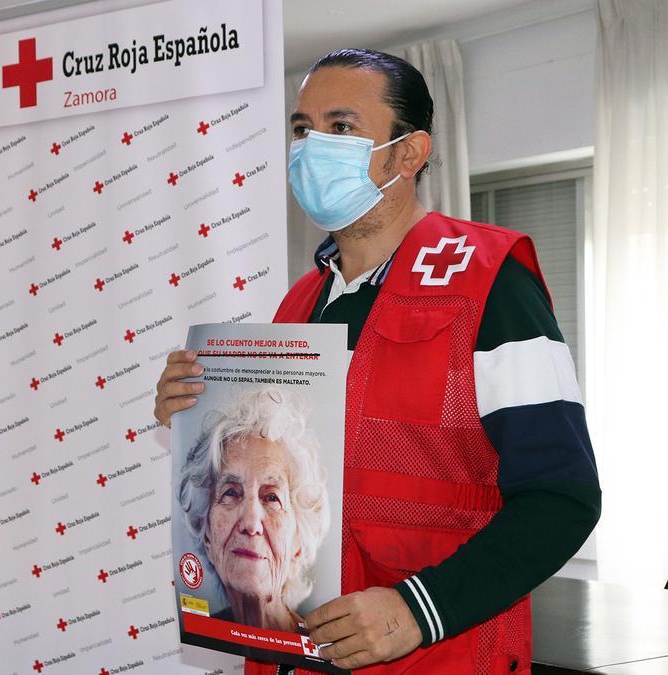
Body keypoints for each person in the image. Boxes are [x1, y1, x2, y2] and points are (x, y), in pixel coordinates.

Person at [156, 48, 601, 674]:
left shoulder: (491, 282)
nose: (312, 148)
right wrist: (190, 408)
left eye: (340, 128)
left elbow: (562, 500)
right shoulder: (300, 305)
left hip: (439, 655)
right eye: (302, 129)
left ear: (407, 153)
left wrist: (415, 611)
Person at [177, 386, 330, 633]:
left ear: (298, 543)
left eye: (271, 498)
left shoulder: (328, 655)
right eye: (230, 493)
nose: (251, 522)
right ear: (206, 534)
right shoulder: (200, 637)